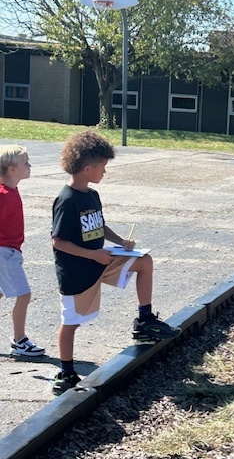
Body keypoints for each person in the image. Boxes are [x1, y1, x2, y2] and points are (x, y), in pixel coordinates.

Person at [51, 131, 181, 395]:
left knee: (144, 261)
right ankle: (66, 372)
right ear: (88, 168)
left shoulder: (92, 195)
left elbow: (100, 225)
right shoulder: (66, 201)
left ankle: (144, 321)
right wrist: (93, 255)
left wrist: (120, 241)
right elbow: (59, 242)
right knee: (71, 322)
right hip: (78, 272)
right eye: (103, 168)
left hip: (100, 261)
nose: (105, 173)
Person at [0, 145, 46, 357]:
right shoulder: (3, 195)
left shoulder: (10, 190)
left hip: (10, 251)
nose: (30, 166)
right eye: (25, 162)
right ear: (11, 169)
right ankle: (19, 341)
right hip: (4, 253)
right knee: (24, 295)